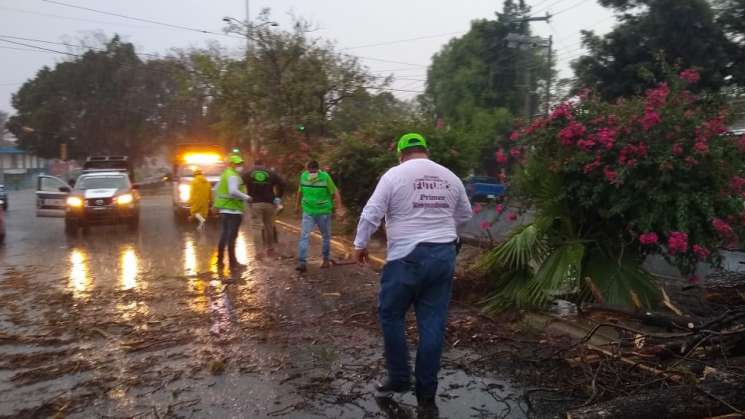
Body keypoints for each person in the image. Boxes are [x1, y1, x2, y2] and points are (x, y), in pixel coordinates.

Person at [353, 133, 473, 412]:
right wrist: (440, 226)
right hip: (444, 256)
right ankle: (426, 397)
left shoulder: (395, 175)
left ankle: (398, 377)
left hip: (406, 256)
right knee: (432, 325)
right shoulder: (450, 177)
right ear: (425, 151)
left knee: (391, 313)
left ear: (401, 154)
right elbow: (465, 214)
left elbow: (372, 211)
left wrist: (360, 244)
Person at [295, 160, 346, 273]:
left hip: (308, 211)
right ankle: (326, 260)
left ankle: (302, 262)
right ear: (318, 168)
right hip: (323, 212)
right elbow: (335, 192)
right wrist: (339, 207)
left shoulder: (304, 176)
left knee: (304, 236)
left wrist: (296, 207)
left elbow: (299, 193)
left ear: (307, 168)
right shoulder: (324, 176)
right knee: (326, 236)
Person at [214, 154, 252, 269]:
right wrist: (247, 197)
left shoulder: (225, 174)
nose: (240, 166)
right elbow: (233, 191)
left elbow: (216, 189)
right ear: (232, 164)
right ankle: (233, 263)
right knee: (232, 237)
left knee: (224, 235)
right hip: (233, 211)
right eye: (238, 164)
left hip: (225, 210)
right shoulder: (233, 176)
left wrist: (216, 205)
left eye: (241, 164)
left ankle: (220, 260)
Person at [243, 159, 285, 257]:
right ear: (264, 164)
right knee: (269, 226)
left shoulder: (248, 174)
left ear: (254, 165)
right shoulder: (271, 173)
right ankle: (270, 248)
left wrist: (245, 197)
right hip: (269, 203)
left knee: (256, 227)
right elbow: (283, 184)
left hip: (255, 203)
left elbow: (239, 184)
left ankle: (258, 252)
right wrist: (278, 197)